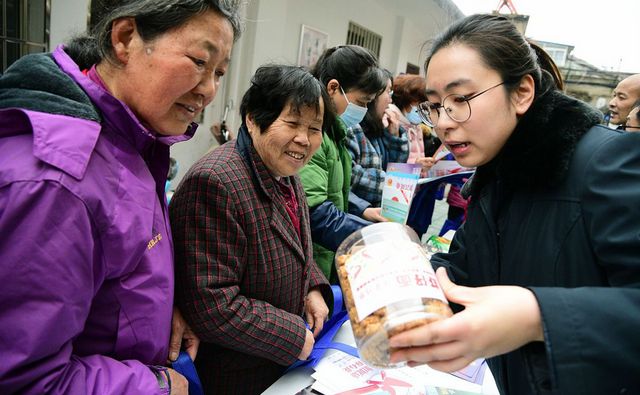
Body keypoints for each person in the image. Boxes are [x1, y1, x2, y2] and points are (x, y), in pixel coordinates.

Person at [389, 14, 640, 395]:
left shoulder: (606, 162)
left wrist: (537, 316)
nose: (442, 122)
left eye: (460, 99)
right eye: (435, 105)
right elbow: (463, 269)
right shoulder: (495, 175)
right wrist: (410, 274)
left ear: (522, 92)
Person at [0, 1, 241, 394]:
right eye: (199, 61)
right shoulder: (54, 183)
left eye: (219, 72)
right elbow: (24, 380)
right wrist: (155, 385)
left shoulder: (132, 139)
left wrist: (162, 312)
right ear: (126, 38)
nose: (209, 89)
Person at [169, 65, 334, 394]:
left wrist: (312, 286)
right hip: (236, 374)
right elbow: (212, 304)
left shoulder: (283, 169)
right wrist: (289, 334)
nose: (304, 139)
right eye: (292, 124)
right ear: (253, 119)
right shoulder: (217, 182)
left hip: (275, 367)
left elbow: (293, 244)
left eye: (314, 128)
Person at [299, 45, 388, 281]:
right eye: (362, 101)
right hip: (312, 259)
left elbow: (336, 189)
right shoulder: (314, 137)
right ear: (333, 88)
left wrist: (363, 210)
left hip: (326, 254)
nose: (364, 110)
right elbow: (314, 211)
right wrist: (372, 237)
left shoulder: (335, 132)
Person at [347, 69, 410, 208]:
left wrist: (395, 137)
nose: (391, 99)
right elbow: (350, 176)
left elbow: (393, 167)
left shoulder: (379, 128)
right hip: (359, 215)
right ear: (372, 96)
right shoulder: (352, 128)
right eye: (388, 92)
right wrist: (393, 185)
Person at [391, 73, 435, 175]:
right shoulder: (392, 123)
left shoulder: (416, 126)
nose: (422, 110)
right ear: (405, 100)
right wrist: (415, 165)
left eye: (425, 106)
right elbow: (389, 165)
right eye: (418, 104)